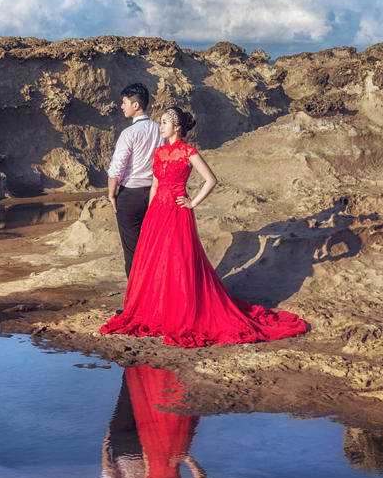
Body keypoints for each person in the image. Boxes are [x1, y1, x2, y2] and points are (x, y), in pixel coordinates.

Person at [100, 107, 308, 347]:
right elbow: (155, 188)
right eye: (161, 123)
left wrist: (193, 202)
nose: (161, 127)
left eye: (165, 123)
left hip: (178, 212)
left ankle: (180, 312)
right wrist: (149, 215)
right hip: (156, 212)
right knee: (157, 261)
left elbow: (211, 180)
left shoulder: (188, 152)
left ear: (177, 127)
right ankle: (159, 309)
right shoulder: (158, 153)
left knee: (178, 261)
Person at [107, 83, 160, 278]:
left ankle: (135, 303)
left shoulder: (128, 133)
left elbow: (116, 168)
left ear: (136, 105)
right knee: (154, 248)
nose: (122, 106)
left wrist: (111, 194)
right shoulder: (160, 130)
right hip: (156, 194)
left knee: (132, 252)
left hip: (130, 196)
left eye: (125, 102)